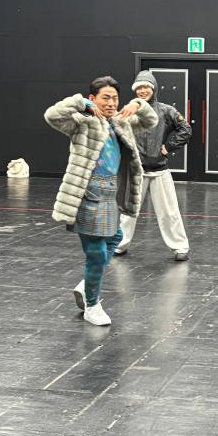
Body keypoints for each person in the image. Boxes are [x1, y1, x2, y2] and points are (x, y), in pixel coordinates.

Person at [44, 76, 156, 326]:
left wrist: (138, 104)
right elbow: (52, 115)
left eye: (115, 98)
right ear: (93, 98)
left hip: (110, 196)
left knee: (115, 239)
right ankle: (92, 305)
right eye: (105, 98)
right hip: (88, 194)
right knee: (95, 253)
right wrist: (80, 102)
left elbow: (151, 120)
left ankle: (87, 285)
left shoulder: (122, 122)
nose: (111, 103)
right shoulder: (81, 123)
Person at [115, 71, 193, 261]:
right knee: (128, 211)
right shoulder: (129, 111)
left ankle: (180, 247)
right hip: (136, 171)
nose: (143, 91)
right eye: (139, 88)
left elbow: (186, 129)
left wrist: (169, 146)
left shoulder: (166, 111)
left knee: (169, 212)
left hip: (160, 171)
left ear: (154, 88)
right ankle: (119, 245)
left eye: (146, 87)